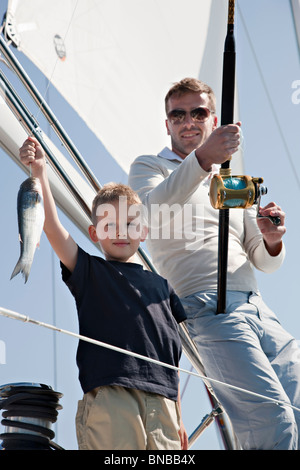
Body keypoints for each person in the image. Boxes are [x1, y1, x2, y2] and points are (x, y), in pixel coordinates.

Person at [128, 77, 300, 450]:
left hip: (259, 311)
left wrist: (272, 240)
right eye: (178, 115)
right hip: (207, 310)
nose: (187, 121)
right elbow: (150, 213)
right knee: (273, 421)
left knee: (298, 413)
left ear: (213, 118)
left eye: (198, 112)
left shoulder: (233, 181)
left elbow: (264, 260)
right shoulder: (151, 167)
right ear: (167, 123)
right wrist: (204, 158)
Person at [19, 136, 189, 451]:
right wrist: (40, 171)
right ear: (95, 234)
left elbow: (172, 354)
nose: (121, 231)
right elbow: (53, 227)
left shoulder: (163, 288)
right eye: (110, 225)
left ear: (144, 231)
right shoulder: (90, 272)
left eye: (130, 223)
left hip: (164, 405)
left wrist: (179, 415)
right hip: (113, 397)